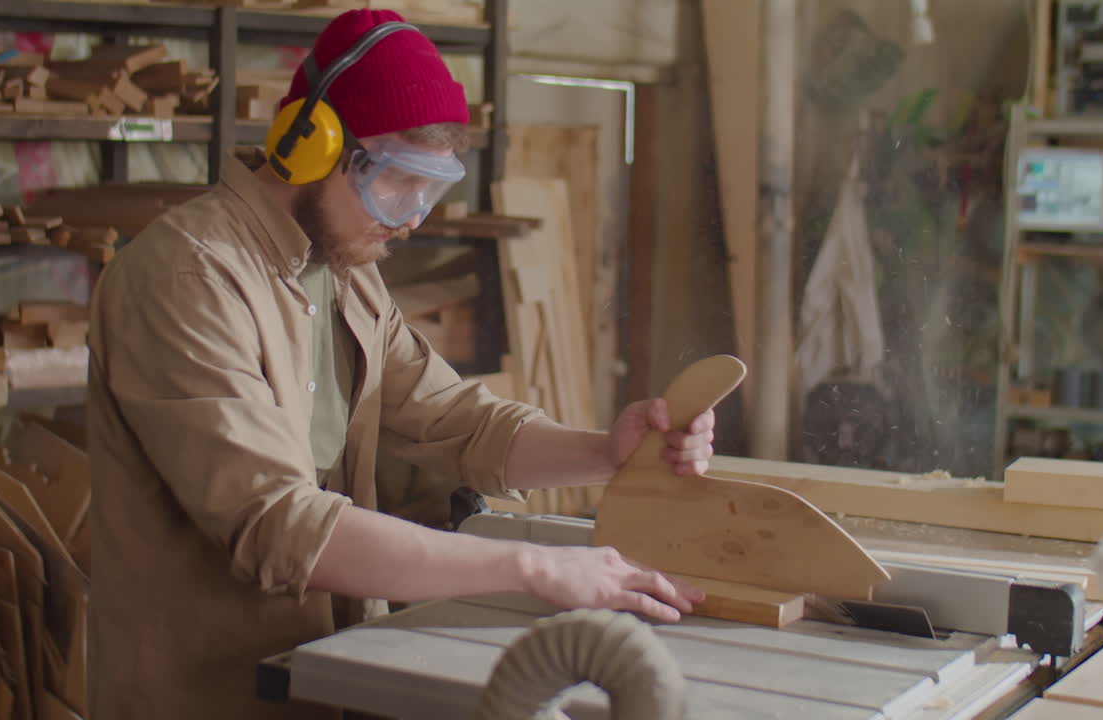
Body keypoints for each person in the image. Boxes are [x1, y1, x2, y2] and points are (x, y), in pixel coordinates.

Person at [85, 9, 715, 720]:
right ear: (311, 145)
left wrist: (606, 452)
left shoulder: (345, 273)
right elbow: (277, 522)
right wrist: (536, 568)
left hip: (323, 673)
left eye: (431, 188)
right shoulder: (186, 277)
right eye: (395, 182)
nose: (412, 218)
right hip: (202, 693)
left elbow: (457, 421)